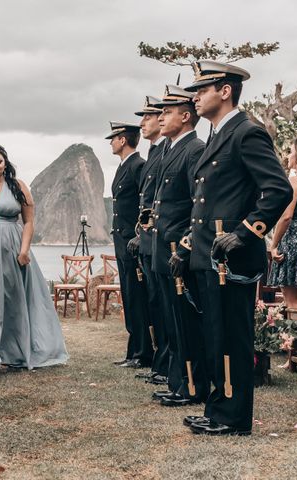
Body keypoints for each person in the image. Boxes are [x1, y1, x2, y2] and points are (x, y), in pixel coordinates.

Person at [178, 60, 292, 436]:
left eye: (202, 90)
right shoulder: (216, 135)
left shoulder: (246, 133)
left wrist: (246, 232)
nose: (195, 97)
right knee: (215, 334)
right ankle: (218, 408)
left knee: (232, 336)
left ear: (225, 91)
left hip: (231, 257)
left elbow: (278, 190)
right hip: (210, 254)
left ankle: (234, 417)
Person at [0, 143, 69, 380]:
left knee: (9, 301)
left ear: (5, 163)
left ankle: (10, 352)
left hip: (11, 248)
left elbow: (28, 222)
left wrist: (25, 250)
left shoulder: (18, 187)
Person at [151, 85, 208, 407]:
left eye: (168, 112)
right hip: (162, 246)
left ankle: (191, 385)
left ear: (186, 116)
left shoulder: (194, 149)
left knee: (186, 321)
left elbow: (196, 204)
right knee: (173, 321)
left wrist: (186, 244)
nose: (161, 117)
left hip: (177, 248)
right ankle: (178, 381)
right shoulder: (171, 149)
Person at [128, 96, 170, 385]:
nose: (143, 122)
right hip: (148, 239)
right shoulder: (156, 151)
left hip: (162, 239)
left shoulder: (164, 151)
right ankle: (162, 362)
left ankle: (166, 364)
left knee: (164, 307)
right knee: (156, 304)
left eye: (149, 116)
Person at [106, 122, 153, 369]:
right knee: (128, 295)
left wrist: (138, 235)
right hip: (121, 240)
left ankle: (143, 352)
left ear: (123, 140)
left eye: (113, 138)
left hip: (133, 241)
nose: (111, 142)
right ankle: (133, 350)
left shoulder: (138, 165)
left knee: (137, 296)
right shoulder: (123, 166)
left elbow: (145, 205)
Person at [268, 137, 297, 309]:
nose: (288, 156)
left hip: (295, 245)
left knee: (294, 304)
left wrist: (274, 245)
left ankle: (295, 336)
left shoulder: (295, 182)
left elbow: (286, 217)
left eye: (291, 151)